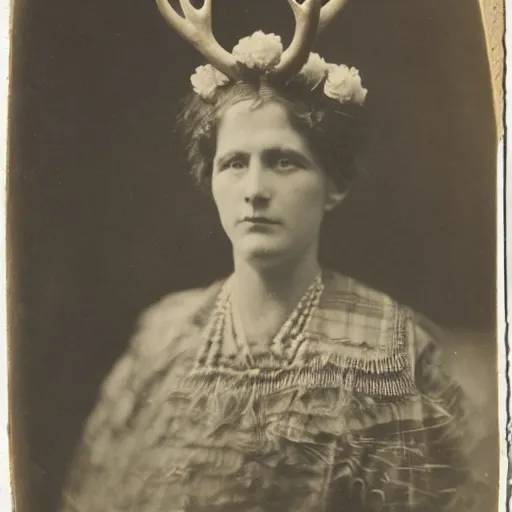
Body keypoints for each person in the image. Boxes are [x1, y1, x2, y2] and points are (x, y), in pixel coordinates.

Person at [59, 1, 493, 511]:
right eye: (234, 163)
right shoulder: (160, 340)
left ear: (334, 183)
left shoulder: (393, 353)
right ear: (211, 179)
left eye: (284, 162)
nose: (255, 190)